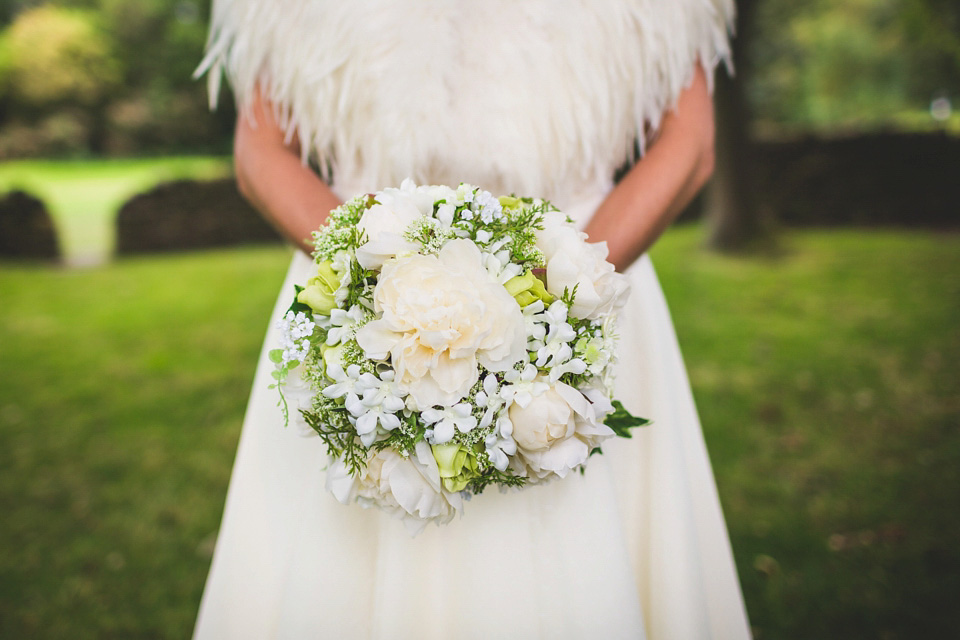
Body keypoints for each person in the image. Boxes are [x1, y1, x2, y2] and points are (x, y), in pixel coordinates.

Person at [193, 1, 751, 638]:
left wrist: (556, 300)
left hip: (586, 271)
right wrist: (379, 292)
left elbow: (688, 144)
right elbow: (260, 152)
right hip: (361, 293)